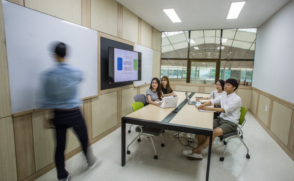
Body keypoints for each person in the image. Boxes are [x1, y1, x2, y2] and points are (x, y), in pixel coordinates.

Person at [40, 42, 102, 181]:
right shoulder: (76, 71)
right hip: (74, 113)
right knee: (84, 139)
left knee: (60, 147)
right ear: (66, 54)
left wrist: (45, 118)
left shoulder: (48, 75)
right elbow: (81, 78)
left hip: (58, 114)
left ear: (54, 56)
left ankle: (62, 176)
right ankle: (91, 162)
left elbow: (44, 100)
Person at [183, 78, 242, 160]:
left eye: (229, 85)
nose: (226, 86)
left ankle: (194, 150)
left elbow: (224, 109)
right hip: (221, 119)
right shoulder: (223, 96)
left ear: (234, 87)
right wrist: (204, 104)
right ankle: (198, 154)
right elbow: (212, 101)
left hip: (230, 123)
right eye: (226, 84)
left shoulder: (236, 99)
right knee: (202, 128)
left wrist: (207, 108)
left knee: (213, 132)